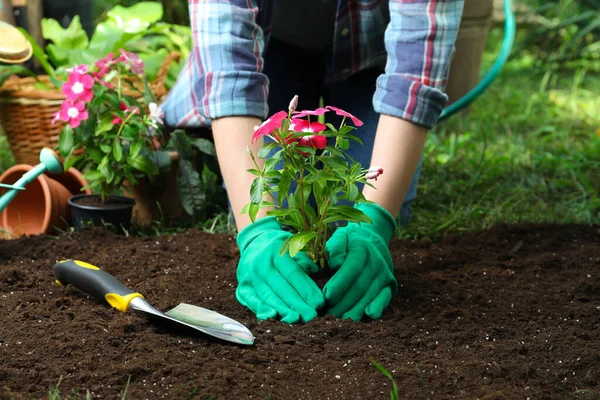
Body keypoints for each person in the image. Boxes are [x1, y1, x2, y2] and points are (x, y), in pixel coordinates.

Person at [161, 0, 465, 324]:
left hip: (374, 58)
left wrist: (375, 219)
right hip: (271, 52)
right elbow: (228, 66)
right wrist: (257, 233)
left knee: (351, 207)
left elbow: (416, 62)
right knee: (280, 209)